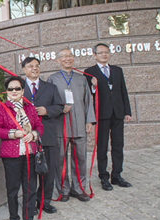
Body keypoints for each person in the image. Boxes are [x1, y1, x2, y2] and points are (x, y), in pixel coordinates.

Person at [0, 76, 43, 220]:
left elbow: (39, 125)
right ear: (6, 91)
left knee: (30, 188)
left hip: (29, 153)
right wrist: (14, 133)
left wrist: (34, 135)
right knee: (13, 189)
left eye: (17, 88)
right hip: (12, 155)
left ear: (22, 90)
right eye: (10, 89)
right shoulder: (0, 109)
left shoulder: (30, 107)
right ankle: (14, 219)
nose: (14, 91)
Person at [47, 49, 96, 202]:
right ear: (58, 60)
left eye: (70, 56)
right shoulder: (52, 79)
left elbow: (88, 101)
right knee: (60, 160)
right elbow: (49, 102)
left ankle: (79, 189)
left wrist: (89, 121)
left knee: (81, 159)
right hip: (60, 126)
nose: (68, 59)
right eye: (64, 56)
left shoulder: (81, 79)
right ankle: (63, 190)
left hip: (80, 124)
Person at [85, 43, 132, 190]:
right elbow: (87, 94)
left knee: (118, 145)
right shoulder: (89, 72)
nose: (104, 55)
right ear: (94, 55)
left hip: (118, 112)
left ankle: (116, 175)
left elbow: (123, 91)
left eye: (106, 52)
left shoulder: (117, 70)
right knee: (103, 146)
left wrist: (127, 111)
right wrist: (93, 86)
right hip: (102, 114)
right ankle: (103, 176)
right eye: (100, 53)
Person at [21, 57, 65, 214]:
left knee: (49, 170)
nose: (34, 68)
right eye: (30, 66)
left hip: (47, 134)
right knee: (29, 172)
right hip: (25, 137)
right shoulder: (18, 88)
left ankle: (44, 201)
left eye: (37, 66)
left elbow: (60, 106)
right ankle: (30, 203)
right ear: (24, 69)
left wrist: (47, 111)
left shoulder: (50, 87)